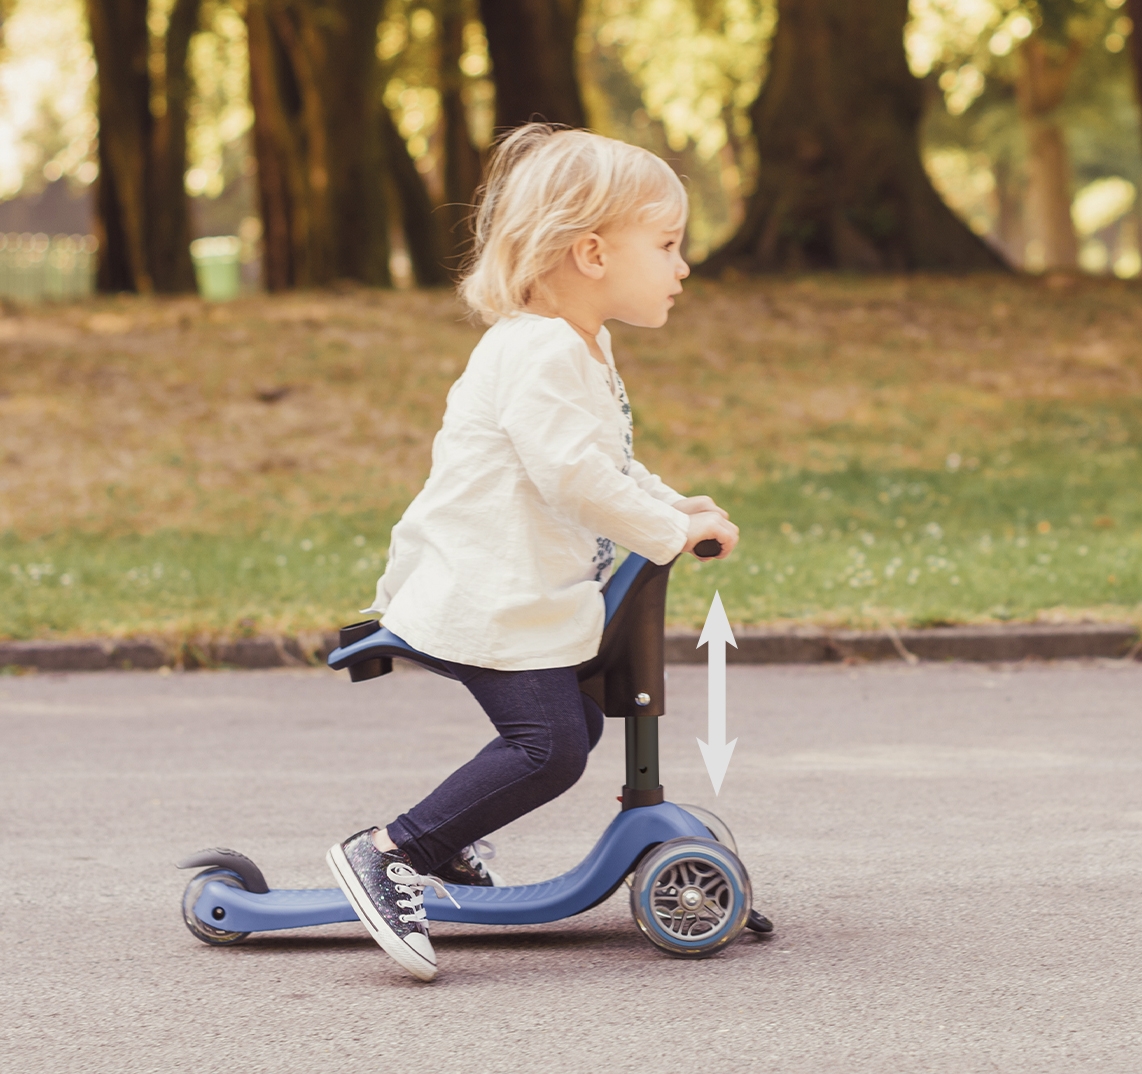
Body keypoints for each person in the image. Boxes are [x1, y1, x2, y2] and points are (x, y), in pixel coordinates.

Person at [326, 123, 739, 981]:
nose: (683, 265)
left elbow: (606, 464)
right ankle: (389, 852)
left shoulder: (579, 343)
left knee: (574, 724)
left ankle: (440, 849)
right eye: (666, 245)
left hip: (522, 593)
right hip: (485, 593)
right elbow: (573, 477)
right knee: (549, 744)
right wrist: (666, 532)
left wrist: (670, 502)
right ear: (591, 253)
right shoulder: (540, 347)